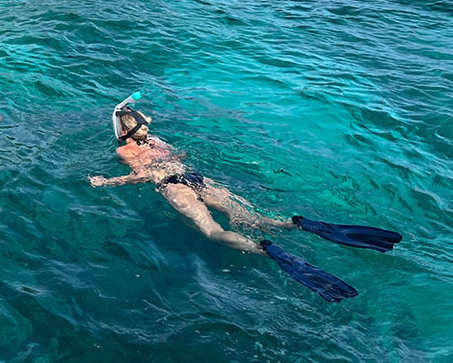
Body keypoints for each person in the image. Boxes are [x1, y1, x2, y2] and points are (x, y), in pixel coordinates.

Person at [89, 97, 402, 303]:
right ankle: (295, 224)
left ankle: (265, 249)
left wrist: (108, 181)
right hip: (197, 177)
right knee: (251, 216)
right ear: (143, 125)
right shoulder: (159, 140)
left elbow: (141, 174)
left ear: (124, 132)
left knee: (211, 232)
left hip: (173, 186)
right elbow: (177, 155)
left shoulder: (124, 150)